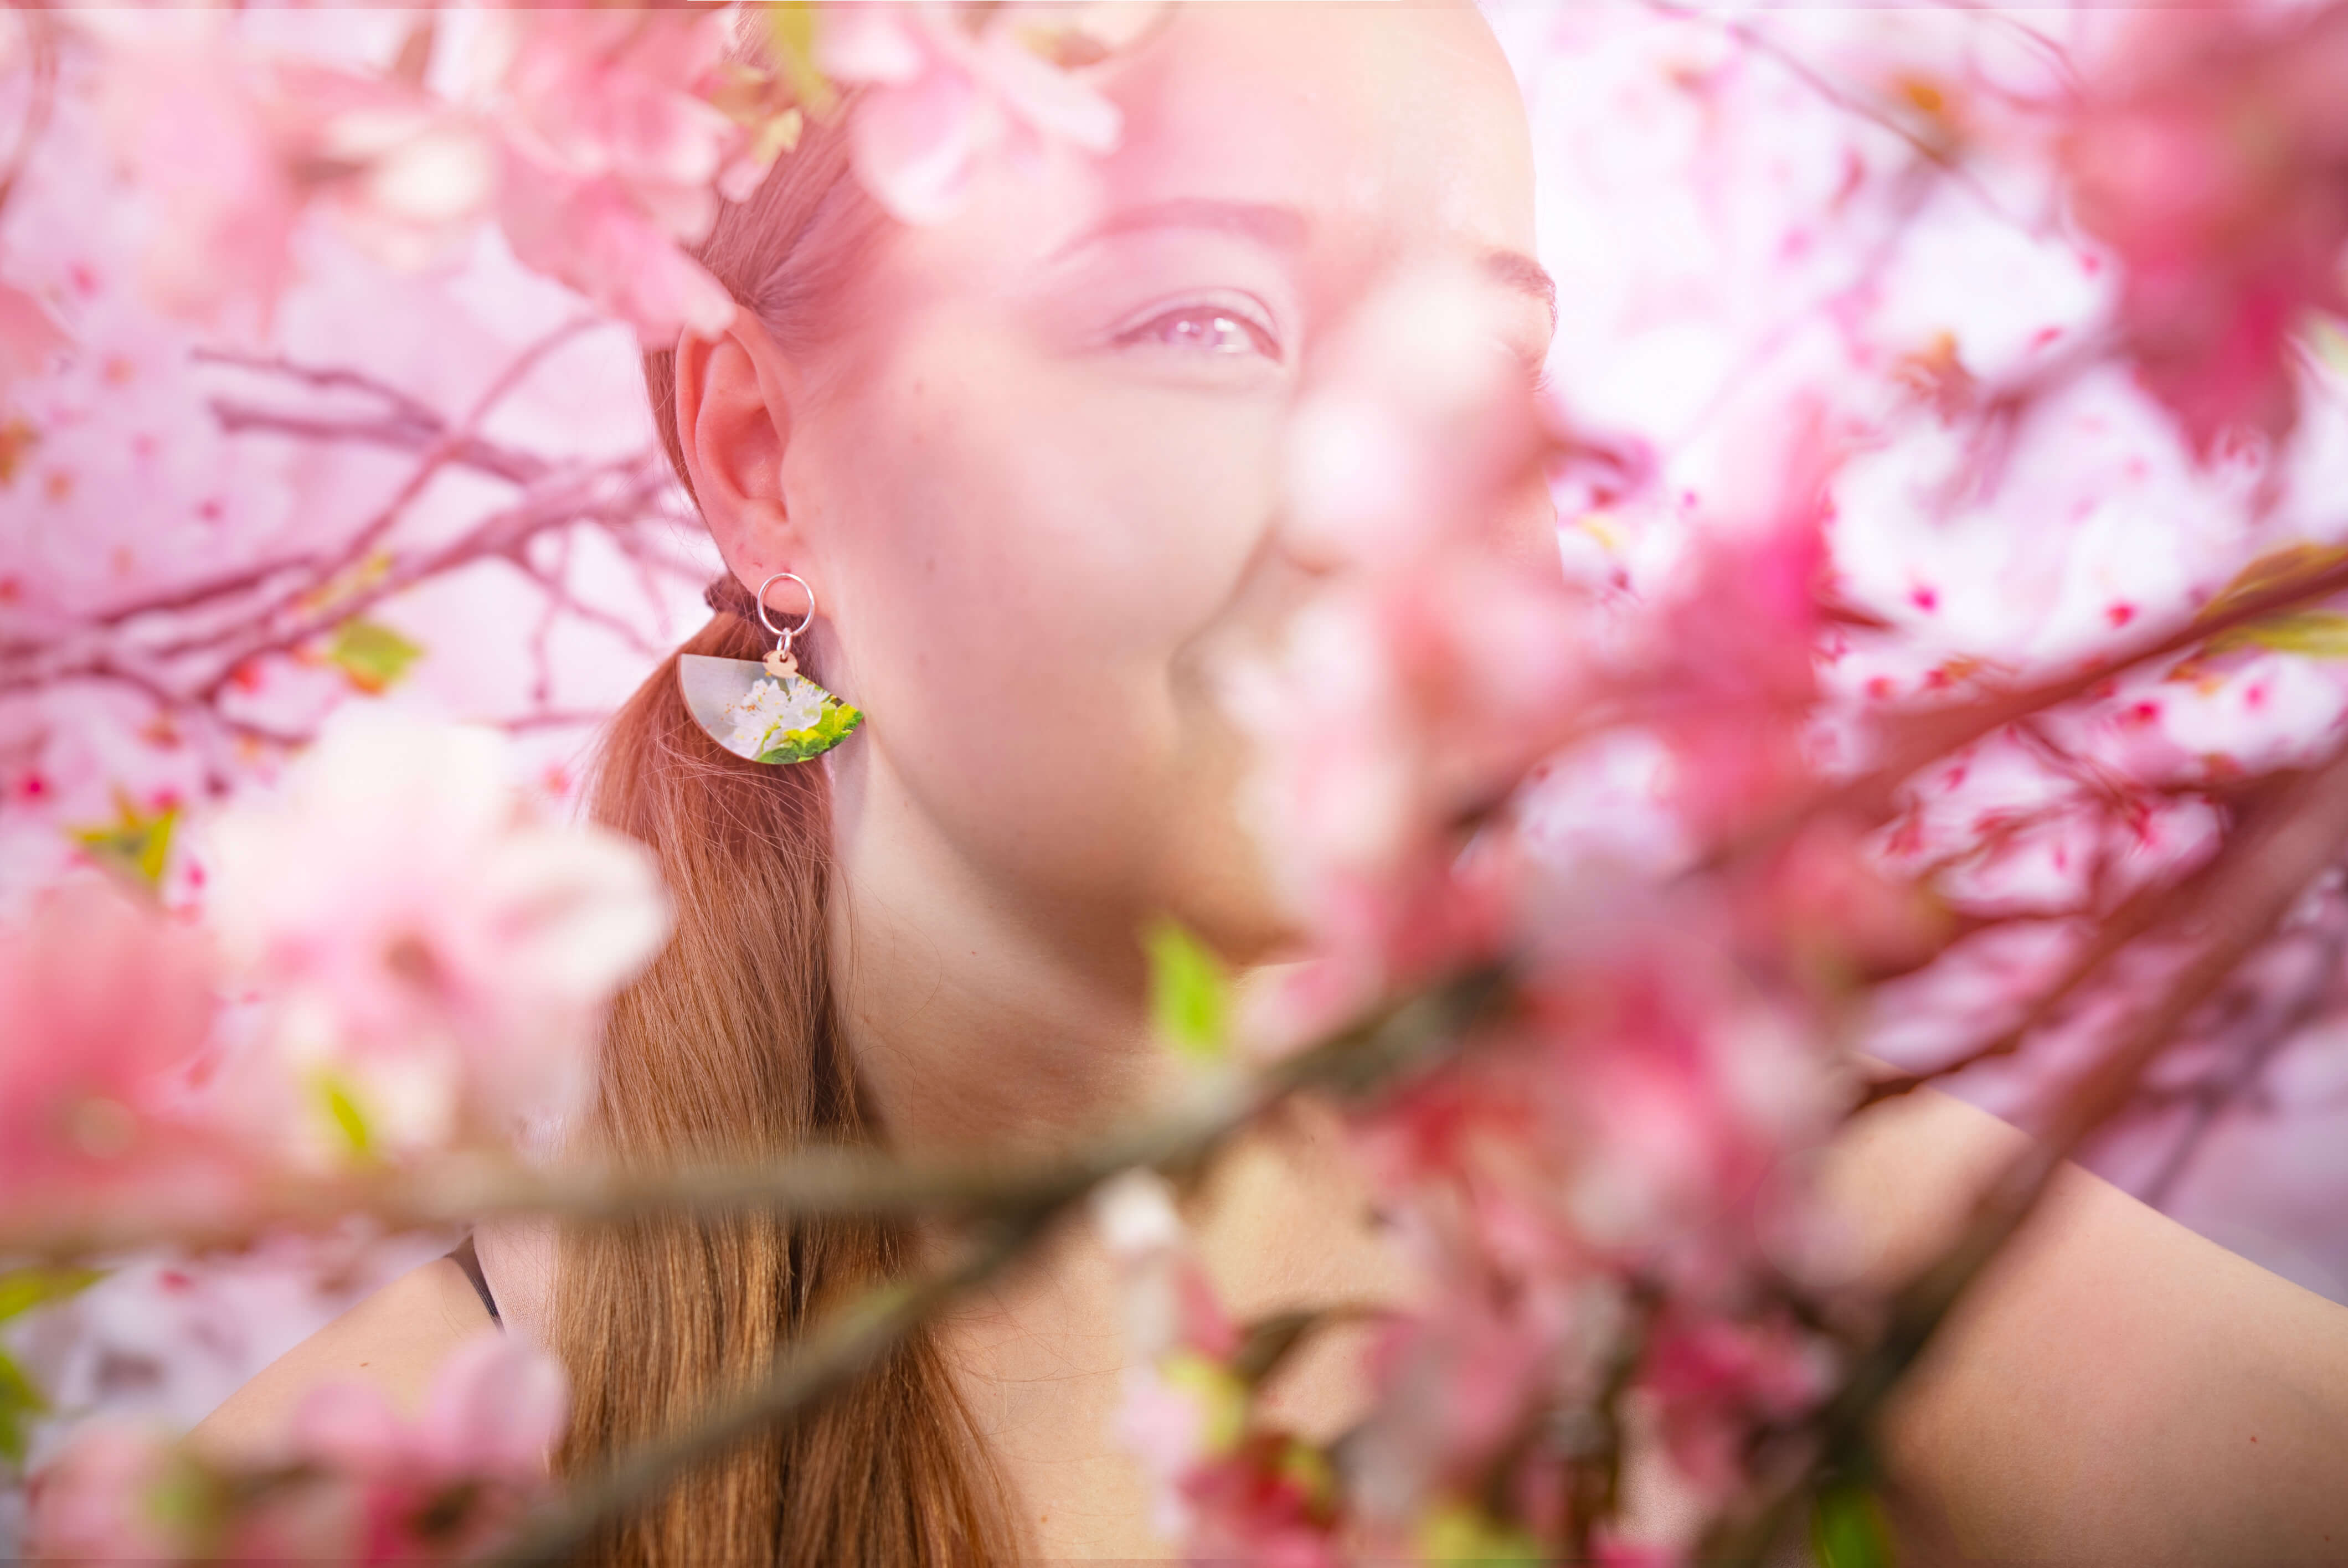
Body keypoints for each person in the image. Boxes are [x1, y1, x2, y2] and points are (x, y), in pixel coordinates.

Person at [192, 5, 2348, 1563]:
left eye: (1488, 366)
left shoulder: (1768, 1241)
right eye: (1201, 324)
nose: (1400, 507)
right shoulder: (382, 1478)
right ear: (764, 458)